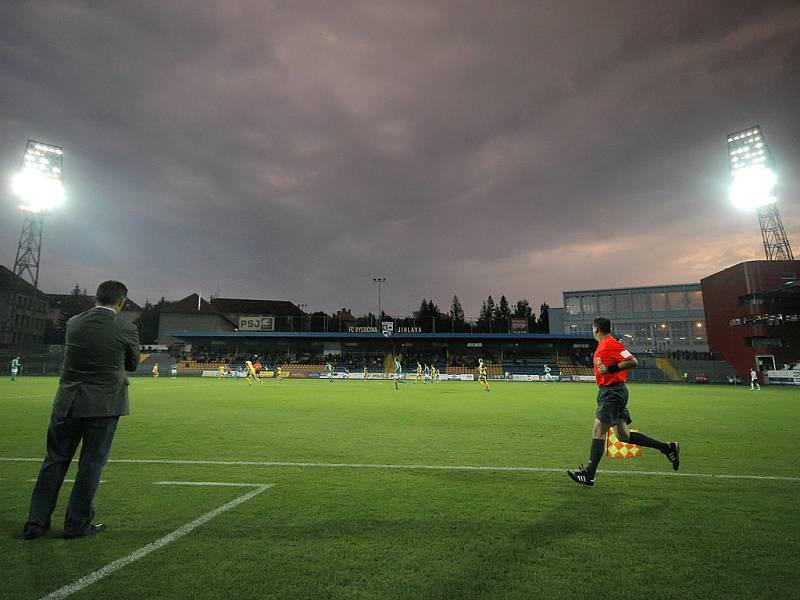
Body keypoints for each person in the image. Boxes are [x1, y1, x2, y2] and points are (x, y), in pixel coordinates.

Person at [24, 280, 139, 539]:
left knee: (54, 461)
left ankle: (35, 524)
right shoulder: (126, 327)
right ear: (121, 301)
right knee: (91, 465)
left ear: (96, 298)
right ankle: (77, 523)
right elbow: (132, 364)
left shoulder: (74, 322)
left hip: (68, 402)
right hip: (103, 404)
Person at [567, 318, 679, 488]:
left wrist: (611, 369)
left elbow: (633, 361)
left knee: (598, 429)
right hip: (610, 392)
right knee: (623, 436)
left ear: (597, 329)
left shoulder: (610, 344)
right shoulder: (604, 345)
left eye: (592, 329)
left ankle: (589, 474)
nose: (592, 332)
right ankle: (667, 448)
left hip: (613, 392)